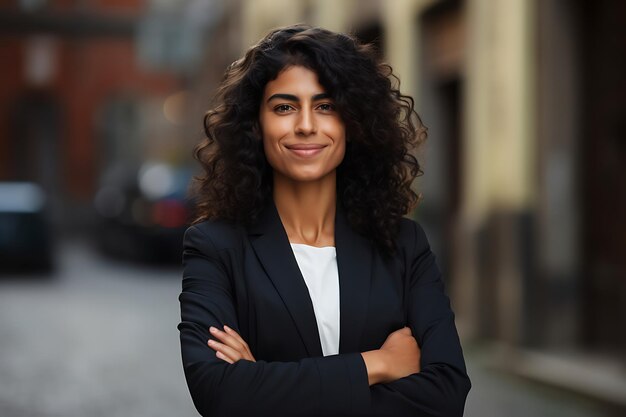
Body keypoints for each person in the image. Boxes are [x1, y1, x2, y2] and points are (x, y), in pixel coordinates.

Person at [178, 24, 471, 417]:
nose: (305, 125)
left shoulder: (403, 244)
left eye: (326, 106)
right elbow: (220, 393)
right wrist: (377, 364)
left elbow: (446, 394)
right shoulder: (216, 246)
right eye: (284, 107)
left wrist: (264, 383)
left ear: (353, 122)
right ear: (255, 123)